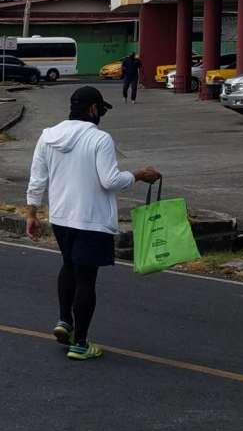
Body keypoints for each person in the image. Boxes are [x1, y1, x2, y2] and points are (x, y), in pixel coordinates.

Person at [25, 86, 160, 361]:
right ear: (93, 109)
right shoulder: (100, 139)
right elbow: (110, 180)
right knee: (86, 278)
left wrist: (32, 214)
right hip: (92, 219)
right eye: (101, 110)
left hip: (61, 218)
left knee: (68, 266)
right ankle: (81, 343)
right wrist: (138, 175)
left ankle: (65, 321)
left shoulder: (47, 136)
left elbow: (37, 179)